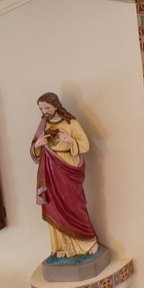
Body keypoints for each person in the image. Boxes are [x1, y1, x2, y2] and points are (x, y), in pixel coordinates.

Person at [31, 93, 100, 263]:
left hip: (67, 167)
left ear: (56, 105)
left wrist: (69, 140)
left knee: (74, 204)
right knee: (53, 205)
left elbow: (85, 144)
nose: (44, 111)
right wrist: (37, 145)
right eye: (41, 108)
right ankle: (60, 246)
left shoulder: (71, 123)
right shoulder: (43, 124)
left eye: (47, 107)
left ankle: (86, 242)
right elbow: (35, 148)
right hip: (49, 169)